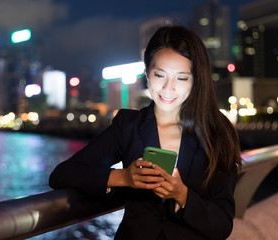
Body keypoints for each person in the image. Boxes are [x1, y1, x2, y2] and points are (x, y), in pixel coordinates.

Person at [49, 25, 242, 240]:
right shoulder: (128, 125)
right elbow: (62, 174)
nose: (168, 88)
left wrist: (182, 195)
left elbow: (223, 225)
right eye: (160, 75)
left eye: (181, 78)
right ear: (147, 73)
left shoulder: (216, 130)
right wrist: (124, 177)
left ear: (196, 80)